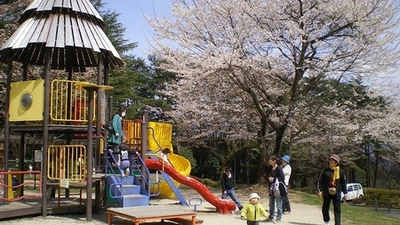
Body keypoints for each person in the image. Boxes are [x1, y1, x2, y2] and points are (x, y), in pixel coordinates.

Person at [316, 154, 348, 225]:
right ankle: (326, 220)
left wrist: (345, 193)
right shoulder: (325, 171)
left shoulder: (341, 172)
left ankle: (338, 223)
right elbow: (320, 181)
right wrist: (319, 191)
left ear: (336, 162)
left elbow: (344, 183)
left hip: (337, 193)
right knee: (325, 207)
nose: (331, 162)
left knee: (337, 209)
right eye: (330, 160)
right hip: (327, 192)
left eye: (333, 161)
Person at [266, 155, 285, 223]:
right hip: (271, 188)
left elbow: (282, 178)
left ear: (274, 161)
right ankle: (271, 216)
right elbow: (267, 175)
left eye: (270, 160)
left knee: (279, 204)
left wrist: (274, 179)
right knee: (271, 203)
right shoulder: (269, 168)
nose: (269, 161)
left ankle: (279, 217)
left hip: (278, 188)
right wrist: (269, 178)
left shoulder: (279, 168)